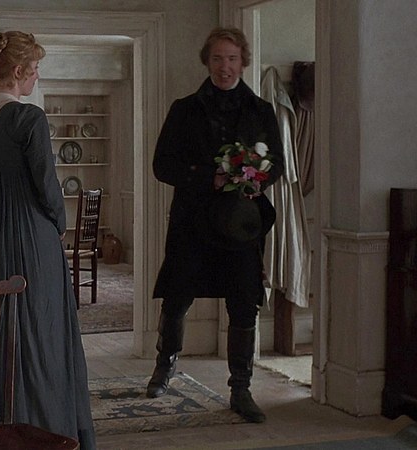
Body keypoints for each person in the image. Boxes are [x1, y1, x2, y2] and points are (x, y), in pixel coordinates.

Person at [0, 31, 96, 449]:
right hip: (30, 236)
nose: (36, 77)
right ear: (18, 71)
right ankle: (46, 427)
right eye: (34, 70)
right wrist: (59, 225)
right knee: (40, 325)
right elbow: (46, 185)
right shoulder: (28, 118)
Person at [146, 27, 284, 424]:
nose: (225, 67)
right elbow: (162, 166)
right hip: (192, 221)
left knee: (244, 303)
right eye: (218, 58)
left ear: (243, 62)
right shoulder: (184, 109)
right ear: (207, 61)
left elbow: (276, 164)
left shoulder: (261, 110)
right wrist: (210, 177)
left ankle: (241, 388)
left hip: (241, 225)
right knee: (177, 297)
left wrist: (254, 179)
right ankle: (164, 366)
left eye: (232, 59)